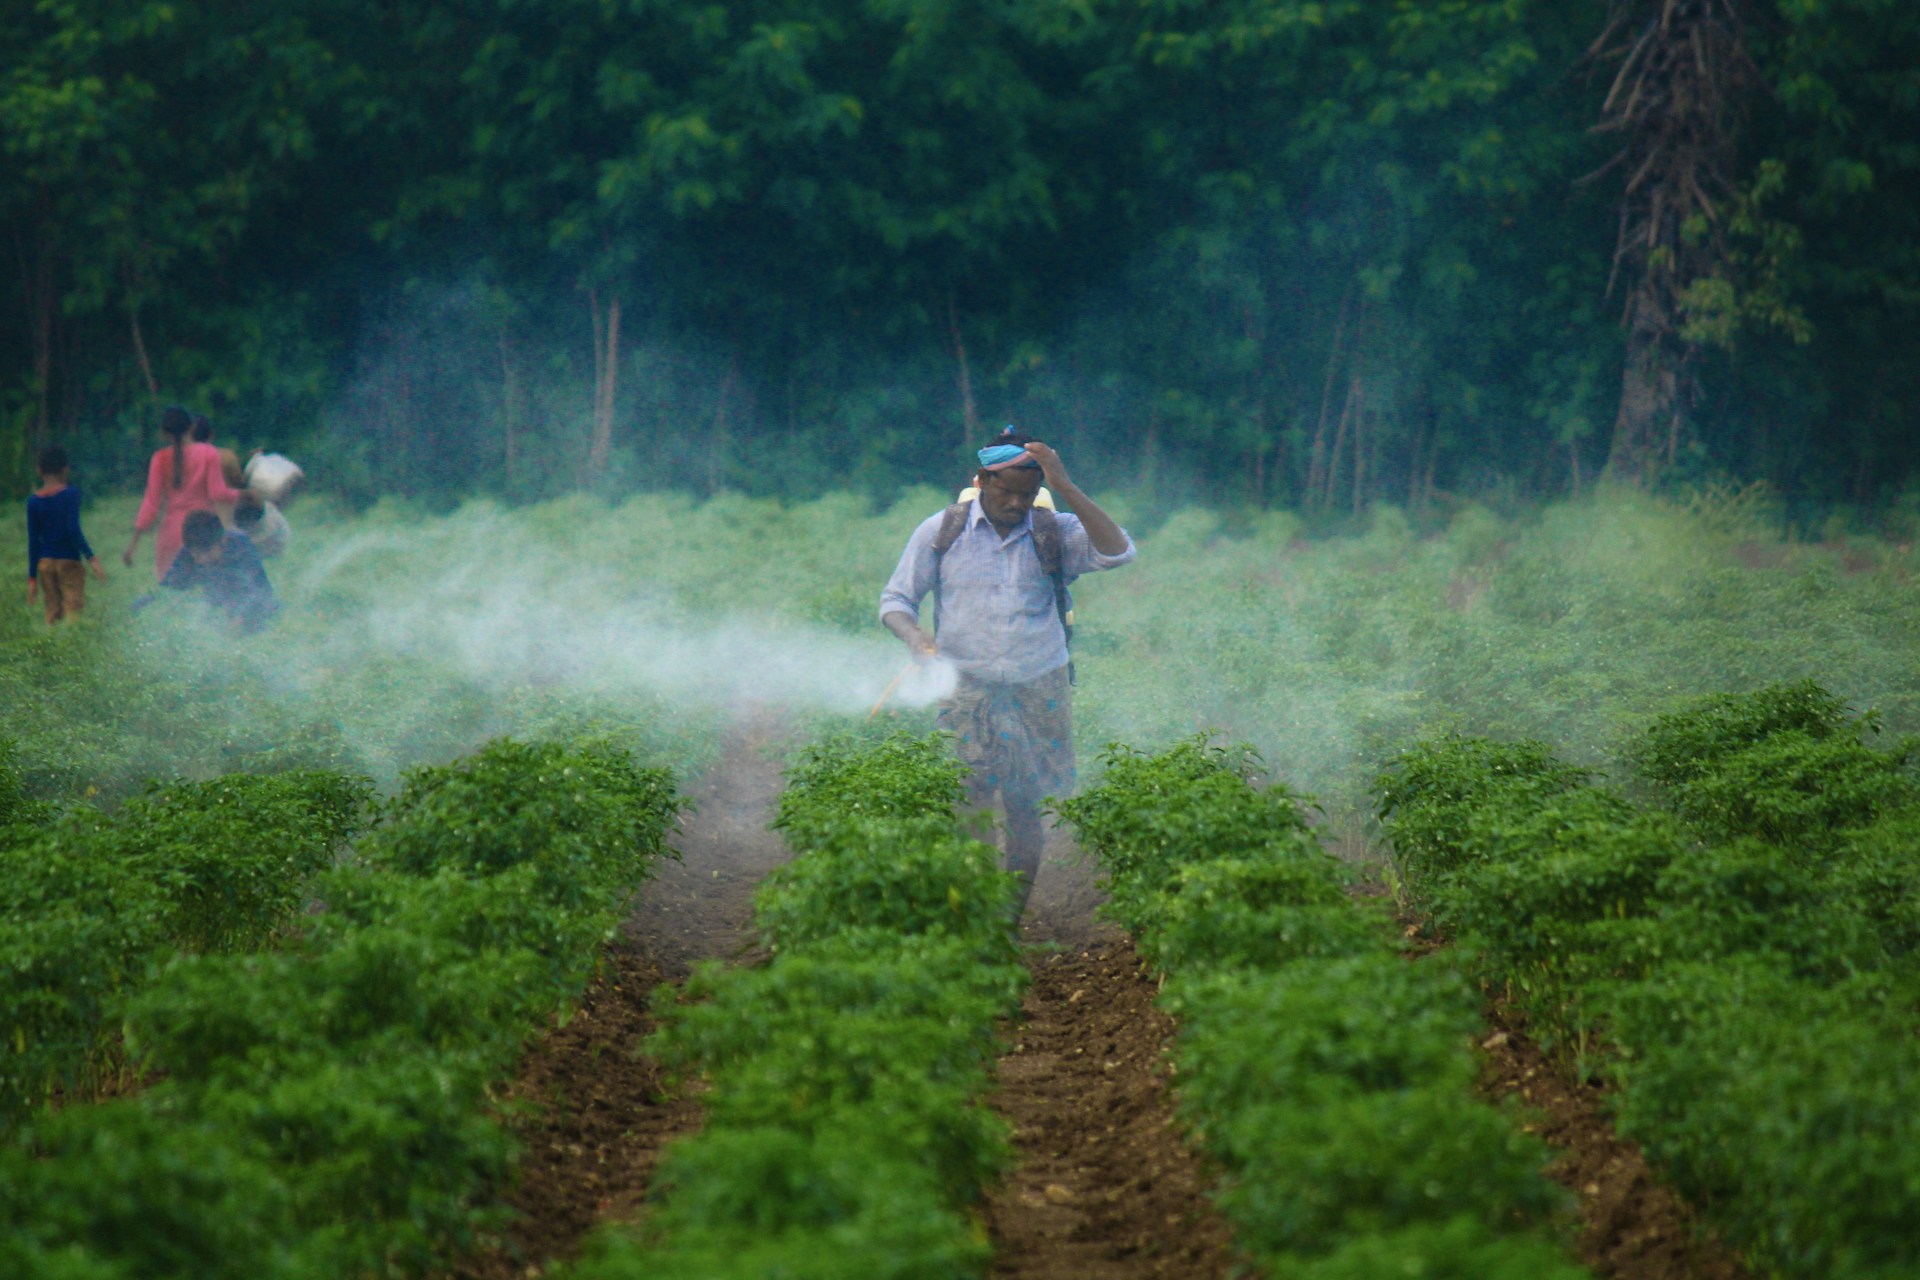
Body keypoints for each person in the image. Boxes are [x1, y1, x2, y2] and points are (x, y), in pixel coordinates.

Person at [880, 428, 1136, 914]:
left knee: (1027, 804)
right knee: (969, 799)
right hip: (964, 686)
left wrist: (1064, 483)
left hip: (1039, 683)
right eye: (1006, 492)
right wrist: (915, 638)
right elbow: (896, 600)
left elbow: (1117, 551)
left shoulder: (1054, 529)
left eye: (1026, 494)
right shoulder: (942, 530)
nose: (1016, 503)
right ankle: (974, 907)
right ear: (981, 481)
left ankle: (1009, 916)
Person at [124, 405, 242, 581]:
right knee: (207, 592)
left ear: (165, 434)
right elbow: (217, 493)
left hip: (170, 535)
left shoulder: (159, 458)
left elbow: (151, 503)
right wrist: (242, 495)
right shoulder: (208, 453)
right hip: (202, 530)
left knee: (174, 595)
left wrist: (133, 544)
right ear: (192, 427)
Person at [149, 509, 278, 632]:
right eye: (197, 555)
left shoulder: (240, 546)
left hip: (256, 605)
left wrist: (240, 617)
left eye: (207, 552)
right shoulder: (191, 548)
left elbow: (255, 590)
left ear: (222, 541)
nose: (202, 559)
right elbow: (171, 586)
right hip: (215, 603)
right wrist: (152, 603)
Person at [25, 445, 106, 624]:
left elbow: (33, 542)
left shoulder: (33, 502)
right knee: (73, 610)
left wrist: (32, 578)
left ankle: (49, 645)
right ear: (65, 469)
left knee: (52, 611)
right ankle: (70, 644)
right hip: (68, 561)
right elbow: (72, 529)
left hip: (45, 563)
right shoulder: (71, 494)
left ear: (39, 471)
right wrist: (91, 558)